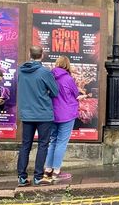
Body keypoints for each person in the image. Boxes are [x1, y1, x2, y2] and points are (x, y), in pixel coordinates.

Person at [16, 46, 58, 187]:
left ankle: (22, 177)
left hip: (27, 113)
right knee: (43, 145)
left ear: (29, 54)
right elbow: (55, 91)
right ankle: (38, 177)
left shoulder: (21, 71)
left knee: (25, 145)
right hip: (43, 113)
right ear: (42, 55)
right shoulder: (44, 72)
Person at [43, 56, 85, 182]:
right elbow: (76, 95)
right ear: (67, 65)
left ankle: (48, 169)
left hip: (53, 114)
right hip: (67, 114)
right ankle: (56, 171)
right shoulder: (68, 78)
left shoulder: (50, 77)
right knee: (61, 142)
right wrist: (82, 97)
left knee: (53, 141)